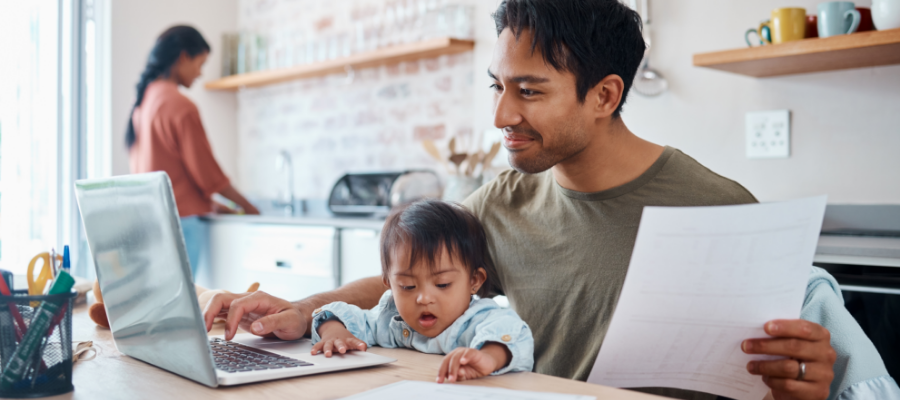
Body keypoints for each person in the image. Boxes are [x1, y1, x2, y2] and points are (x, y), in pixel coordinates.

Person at [201, 1, 900, 399]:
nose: (502, 114)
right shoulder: (501, 202)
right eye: (496, 86)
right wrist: (304, 309)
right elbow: (407, 276)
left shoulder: (721, 208)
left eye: (529, 90)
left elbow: (805, 371)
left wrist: (807, 384)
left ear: (604, 96)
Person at [309, 200, 533, 383]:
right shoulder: (392, 319)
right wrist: (333, 331)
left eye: (442, 284)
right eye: (407, 286)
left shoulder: (479, 319)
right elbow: (342, 315)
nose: (424, 298)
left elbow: (513, 334)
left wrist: (487, 357)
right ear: (389, 284)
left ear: (474, 281)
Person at [127, 26, 259, 277]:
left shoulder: (144, 103)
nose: (200, 73)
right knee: (187, 307)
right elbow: (208, 176)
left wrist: (213, 205)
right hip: (181, 224)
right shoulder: (180, 105)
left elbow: (169, 175)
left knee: (165, 307)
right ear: (184, 57)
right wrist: (249, 208)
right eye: (201, 63)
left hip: (150, 221)